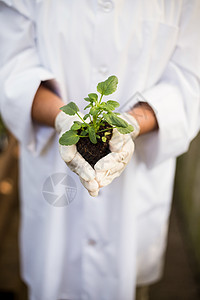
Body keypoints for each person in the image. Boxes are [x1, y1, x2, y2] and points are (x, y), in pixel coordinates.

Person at [0, 1, 199, 299]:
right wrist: (63, 118)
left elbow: (190, 81)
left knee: (129, 283)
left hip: (135, 196)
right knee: (52, 276)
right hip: (52, 184)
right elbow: (12, 66)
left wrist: (129, 124)